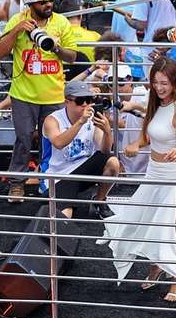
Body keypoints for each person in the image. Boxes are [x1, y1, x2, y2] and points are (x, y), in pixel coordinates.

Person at [101, 57, 176, 303]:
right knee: (146, 221)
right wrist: (136, 144)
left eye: (164, 83)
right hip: (152, 172)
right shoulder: (155, 105)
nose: (159, 87)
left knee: (169, 229)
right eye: (155, 82)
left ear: (175, 82)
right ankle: (156, 266)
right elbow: (148, 135)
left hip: (173, 176)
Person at [0, 0, 80, 202]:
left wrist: (56, 46)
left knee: (52, 141)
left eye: (49, 0)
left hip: (53, 94)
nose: (48, 4)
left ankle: (48, 181)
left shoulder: (61, 22)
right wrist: (16, 31)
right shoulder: (17, 20)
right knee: (23, 138)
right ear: (31, 3)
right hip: (23, 94)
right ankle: (16, 184)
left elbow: (72, 56)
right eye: (42, 1)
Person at [40, 80, 120, 220]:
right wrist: (80, 122)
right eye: (80, 101)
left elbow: (105, 150)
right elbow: (58, 143)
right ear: (67, 101)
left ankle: (99, 201)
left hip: (83, 167)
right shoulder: (52, 120)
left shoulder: (92, 118)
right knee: (64, 217)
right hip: (58, 176)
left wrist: (107, 131)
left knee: (113, 162)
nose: (85, 105)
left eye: (88, 100)